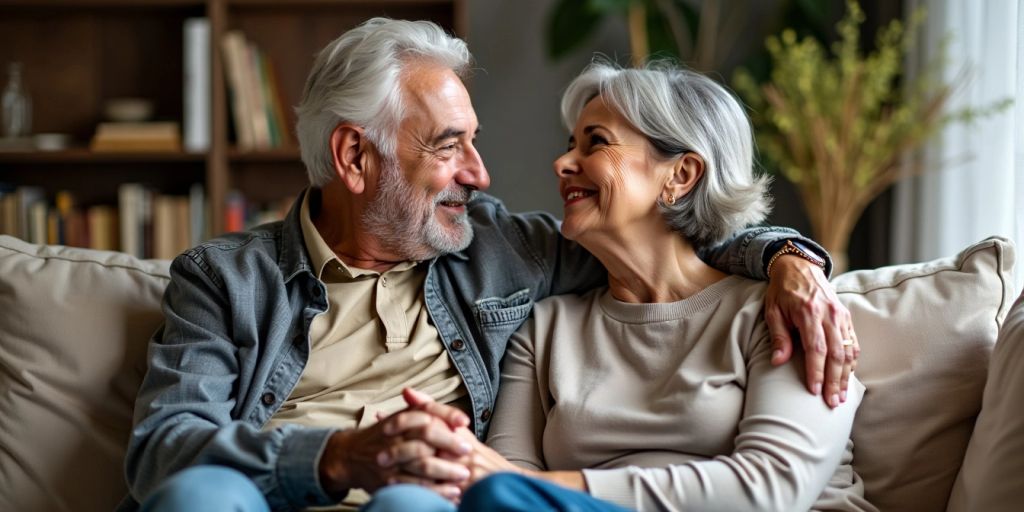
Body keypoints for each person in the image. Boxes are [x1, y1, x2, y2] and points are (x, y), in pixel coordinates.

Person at [123, 18, 858, 511]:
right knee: (199, 497)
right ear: (353, 157)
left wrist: (788, 258)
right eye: (448, 146)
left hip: (415, 500)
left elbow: (665, 242)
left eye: (472, 142)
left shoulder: (499, 248)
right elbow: (163, 445)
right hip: (264, 494)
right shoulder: (225, 279)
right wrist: (336, 458)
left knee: (412, 504)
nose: (480, 173)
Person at [368, 61, 872, 512]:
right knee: (403, 504)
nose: (562, 165)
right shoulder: (546, 327)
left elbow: (771, 489)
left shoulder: (787, 310)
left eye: (597, 142)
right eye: (570, 146)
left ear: (681, 174)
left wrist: (552, 486)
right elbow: (500, 480)